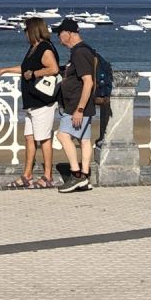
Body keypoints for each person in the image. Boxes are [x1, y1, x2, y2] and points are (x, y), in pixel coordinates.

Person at [0, 17, 60, 188]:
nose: (24, 34)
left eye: (26, 30)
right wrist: (6, 70)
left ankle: (47, 176)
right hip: (31, 101)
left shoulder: (44, 47)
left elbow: (53, 68)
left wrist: (35, 73)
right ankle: (27, 175)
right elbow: (25, 69)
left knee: (44, 139)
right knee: (29, 138)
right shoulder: (33, 48)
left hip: (43, 101)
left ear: (32, 31)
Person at [53, 18, 97, 191]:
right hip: (83, 104)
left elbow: (88, 81)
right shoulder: (83, 50)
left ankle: (76, 175)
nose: (59, 38)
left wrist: (79, 109)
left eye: (60, 34)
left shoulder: (79, 52)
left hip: (77, 104)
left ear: (69, 33)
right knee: (84, 140)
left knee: (62, 136)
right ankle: (85, 177)